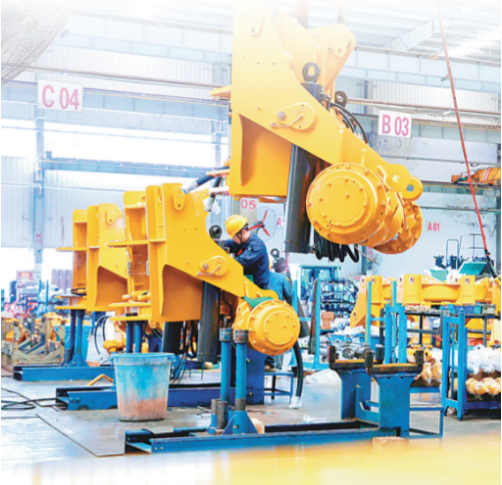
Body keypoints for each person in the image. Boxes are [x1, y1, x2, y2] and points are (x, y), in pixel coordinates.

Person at [224, 215, 270, 290]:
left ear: (243, 232)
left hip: (258, 290)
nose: (233, 239)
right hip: (245, 286)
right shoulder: (240, 240)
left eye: (234, 236)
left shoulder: (257, 246)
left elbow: (239, 262)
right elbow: (225, 244)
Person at [265, 257, 294, 372]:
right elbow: (290, 296)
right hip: (277, 314)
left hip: (259, 314)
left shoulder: (255, 278)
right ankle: (275, 365)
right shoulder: (281, 278)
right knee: (277, 340)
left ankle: (268, 364)